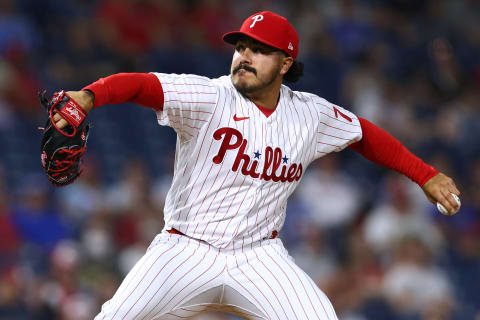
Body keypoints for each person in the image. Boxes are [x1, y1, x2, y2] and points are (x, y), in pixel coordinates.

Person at [51, 11, 460, 320]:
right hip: (185, 248)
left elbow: (365, 135)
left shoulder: (310, 116)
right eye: (241, 47)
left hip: (259, 256)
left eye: (259, 50)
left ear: (285, 62)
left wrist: (425, 175)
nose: (244, 57)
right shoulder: (210, 97)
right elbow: (144, 85)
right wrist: (89, 96)